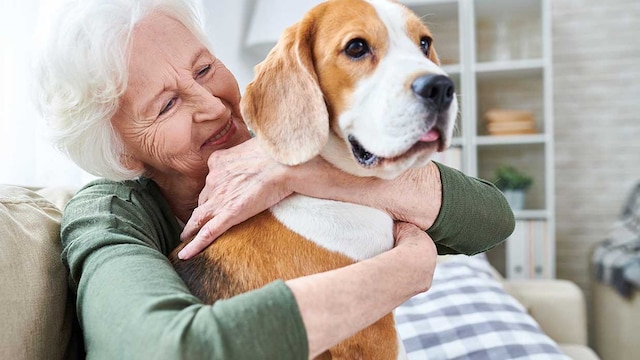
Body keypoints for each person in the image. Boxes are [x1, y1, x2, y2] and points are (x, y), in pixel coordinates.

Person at [35, 0, 515, 358]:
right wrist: (405, 270)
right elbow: (165, 350)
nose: (211, 105)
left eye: (204, 69)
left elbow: (492, 219)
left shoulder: (286, 138)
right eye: (166, 105)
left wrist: (297, 170)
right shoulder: (107, 214)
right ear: (123, 151)